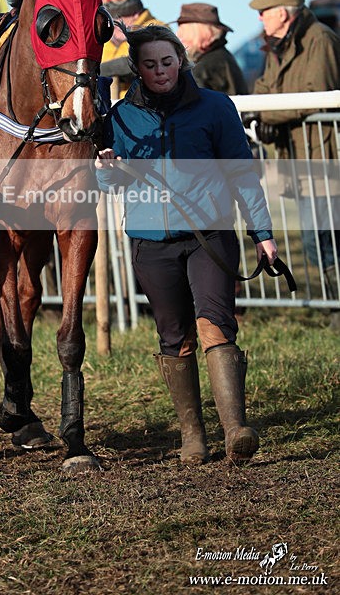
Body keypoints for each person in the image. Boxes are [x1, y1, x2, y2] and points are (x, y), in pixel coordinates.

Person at [95, 23, 277, 464]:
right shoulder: (119, 118)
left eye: (168, 61)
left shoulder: (216, 107)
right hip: (150, 242)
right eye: (151, 64)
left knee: (215, 323)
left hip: (209, 235)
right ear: (137, 69)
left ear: (182, 60)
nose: (161, 71)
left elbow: (242, 174)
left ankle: (235, 428)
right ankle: (193, 435)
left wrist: (263, 234)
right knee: (173, 335)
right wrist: (107, 168)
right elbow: (108, 184)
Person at [249, 0, 340, 294]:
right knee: (316, 239)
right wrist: (261, 113)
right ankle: (334, 301)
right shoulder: (279, 44)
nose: (260, 19)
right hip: (304, 156)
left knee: (323, 237)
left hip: (325, 156)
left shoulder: (320, 40)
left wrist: (266, 115)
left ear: (283, 14)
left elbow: (319, 96)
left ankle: (335, 303)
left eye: (265, 12)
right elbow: (262, 90)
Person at [100, 0, 166, 98]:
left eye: (124, 17)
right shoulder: (103, 37)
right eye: (112, 18)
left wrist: (98, 70)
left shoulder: (156, 30)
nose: (118, 23)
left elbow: (143, 60)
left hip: (147, 106)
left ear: (137, 13)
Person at [175, 2, 248, 95]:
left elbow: (197, 104)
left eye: (183, 30)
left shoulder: (204, 66)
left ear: (199, 32)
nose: (178, 35)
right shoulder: (223, 56)